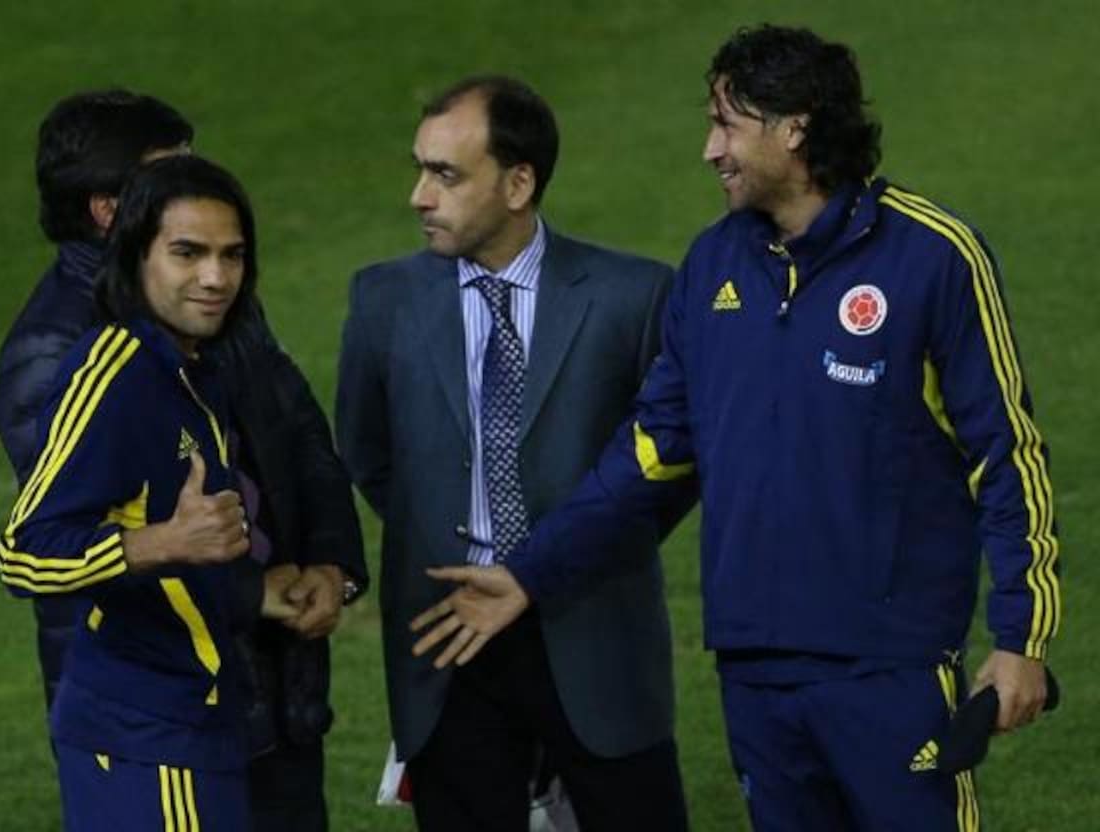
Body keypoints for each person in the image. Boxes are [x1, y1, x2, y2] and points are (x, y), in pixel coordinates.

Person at [413, 26, 1061, 832]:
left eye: (727, 123)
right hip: (755, 671)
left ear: (794, 127)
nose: (709, 149)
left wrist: (1021, 635)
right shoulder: (714, 266)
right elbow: (650, 454)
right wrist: (531, 572)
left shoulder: (931, 257)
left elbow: (1006, 456)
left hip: (887, 668)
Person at [0, 90, 365, 831]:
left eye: (231, 255)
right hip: (153, 712)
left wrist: (330, 562)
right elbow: (32, 551)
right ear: (124, 223)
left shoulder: (204, 318)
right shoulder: (95, 361)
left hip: (245, 685)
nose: (215, 273)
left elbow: (297, 434)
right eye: (190, 248)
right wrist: (193, 558)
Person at [336, 75, 690, 832]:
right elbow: (369, 454)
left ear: (519, 182)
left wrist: (559, 559)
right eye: (420, 168)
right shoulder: (381, 300)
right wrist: (447, 538)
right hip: (449, 632)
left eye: (446, 175)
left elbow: (668, 468)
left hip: (591, 621)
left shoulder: (636, 298)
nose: (418, 197)